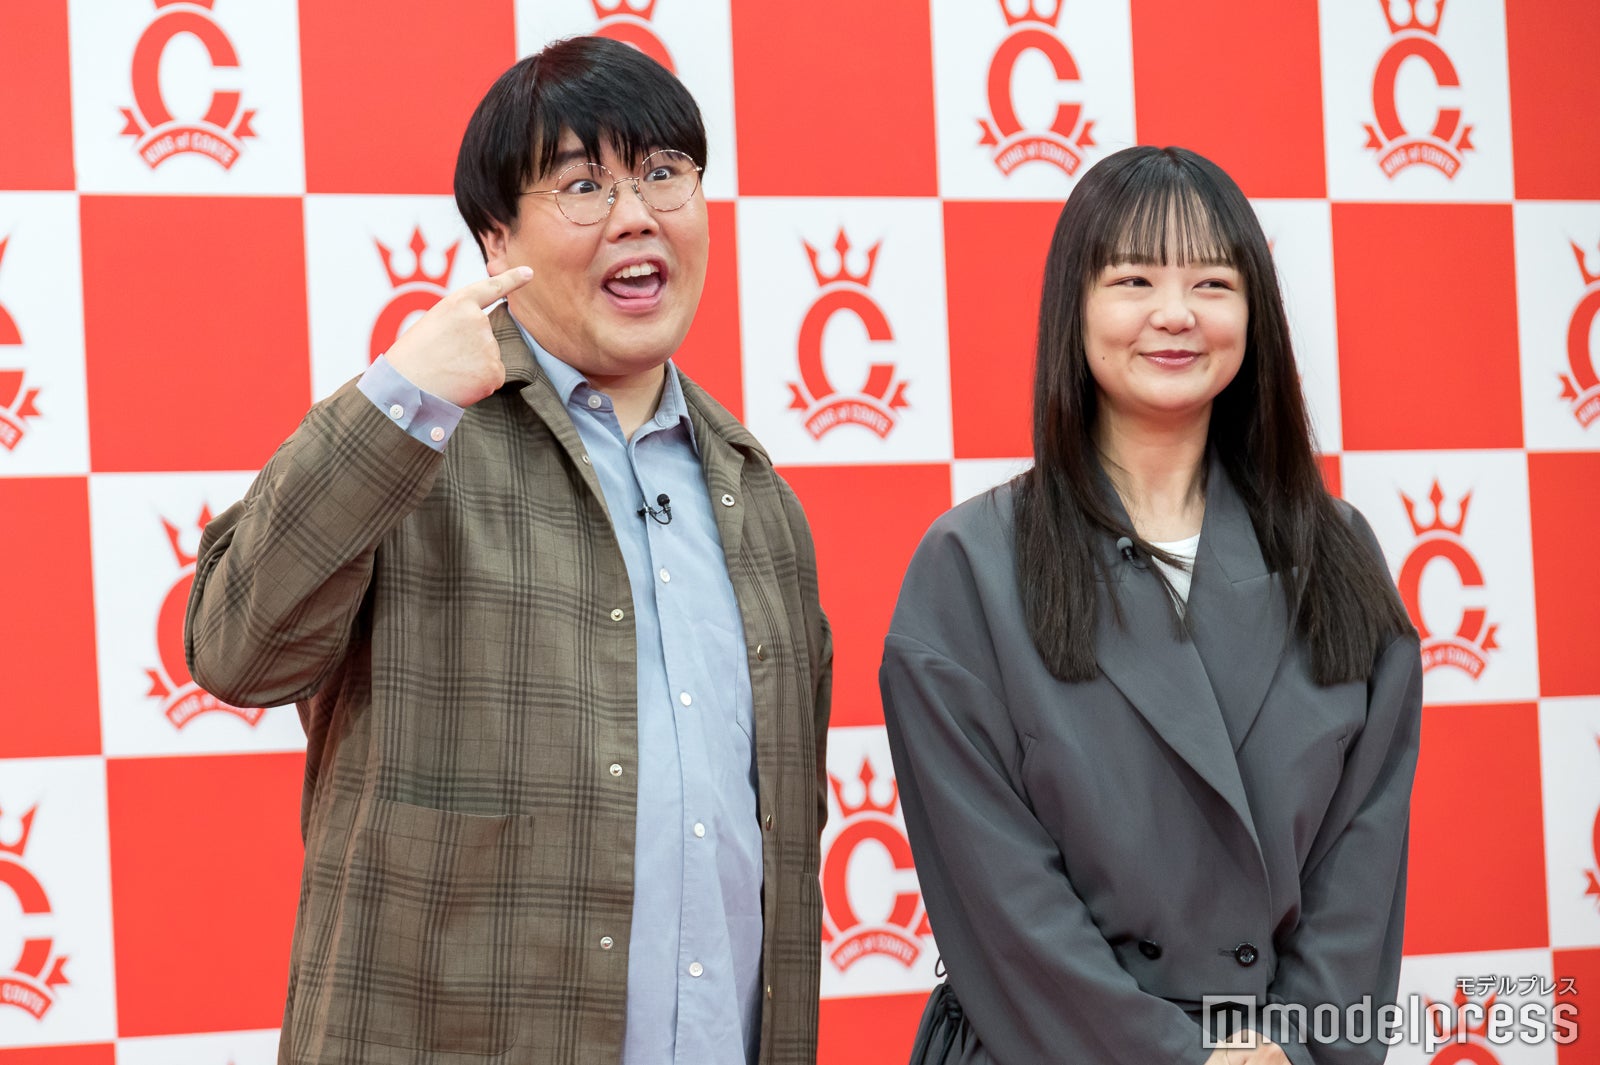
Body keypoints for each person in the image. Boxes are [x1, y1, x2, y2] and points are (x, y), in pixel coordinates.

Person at [185, 36, 831, 1065]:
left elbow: (780, 848)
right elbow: (236, 651)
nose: (636, 215)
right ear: (495, 237)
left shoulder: (757, 498)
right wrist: (398, 399)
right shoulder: (415, 442)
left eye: (665, 174)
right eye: (583, 185)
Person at [880, 146, 1421, 1065]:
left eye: (1213, 281)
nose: (1175, 313)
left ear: (1254, 312)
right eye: (1134, 279)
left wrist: (1288, 1047)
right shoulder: (969, 565)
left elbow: (1361, 865)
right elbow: (1000, 900)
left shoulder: (1336, 552)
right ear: (1075, 307)